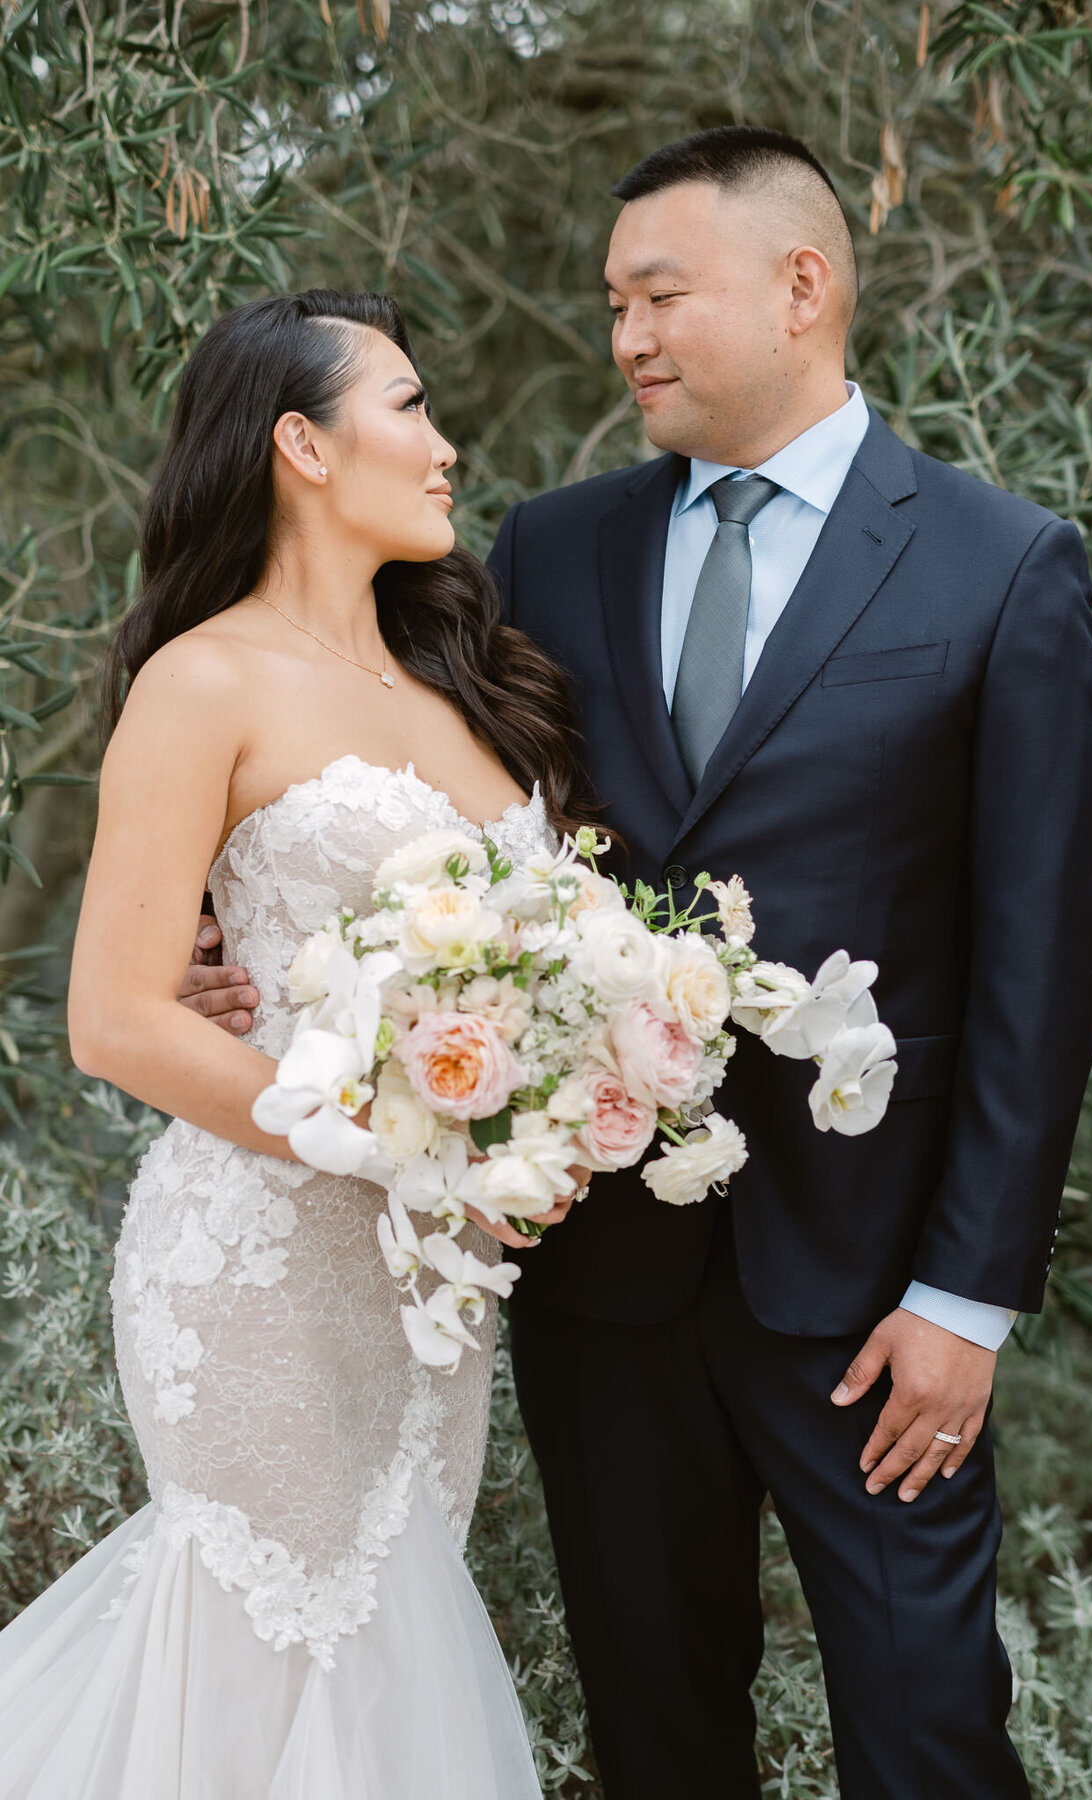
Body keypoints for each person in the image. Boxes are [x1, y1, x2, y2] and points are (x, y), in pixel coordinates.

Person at [178, 131, 1092, 1797]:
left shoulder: (1003, 568)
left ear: (801, 286)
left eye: (658, 296)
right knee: (658, 1738)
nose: (625, 336)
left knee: (931, 1739)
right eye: (613, 302)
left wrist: (967, 1302)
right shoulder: (555, 547)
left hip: (874, 1306)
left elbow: (1039, 973)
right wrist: (220, 920)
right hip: (596, 1274)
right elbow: (374, 766)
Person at [0, 288, 587, 1798]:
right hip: (257, 1264)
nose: (448, 447)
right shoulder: (203, 681)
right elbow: (117, 1016)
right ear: (301, 445)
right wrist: (395, 1145)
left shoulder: (470, 690)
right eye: (409, 405)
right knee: (276, 1649)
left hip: (429, 1295)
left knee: (390, 1663)